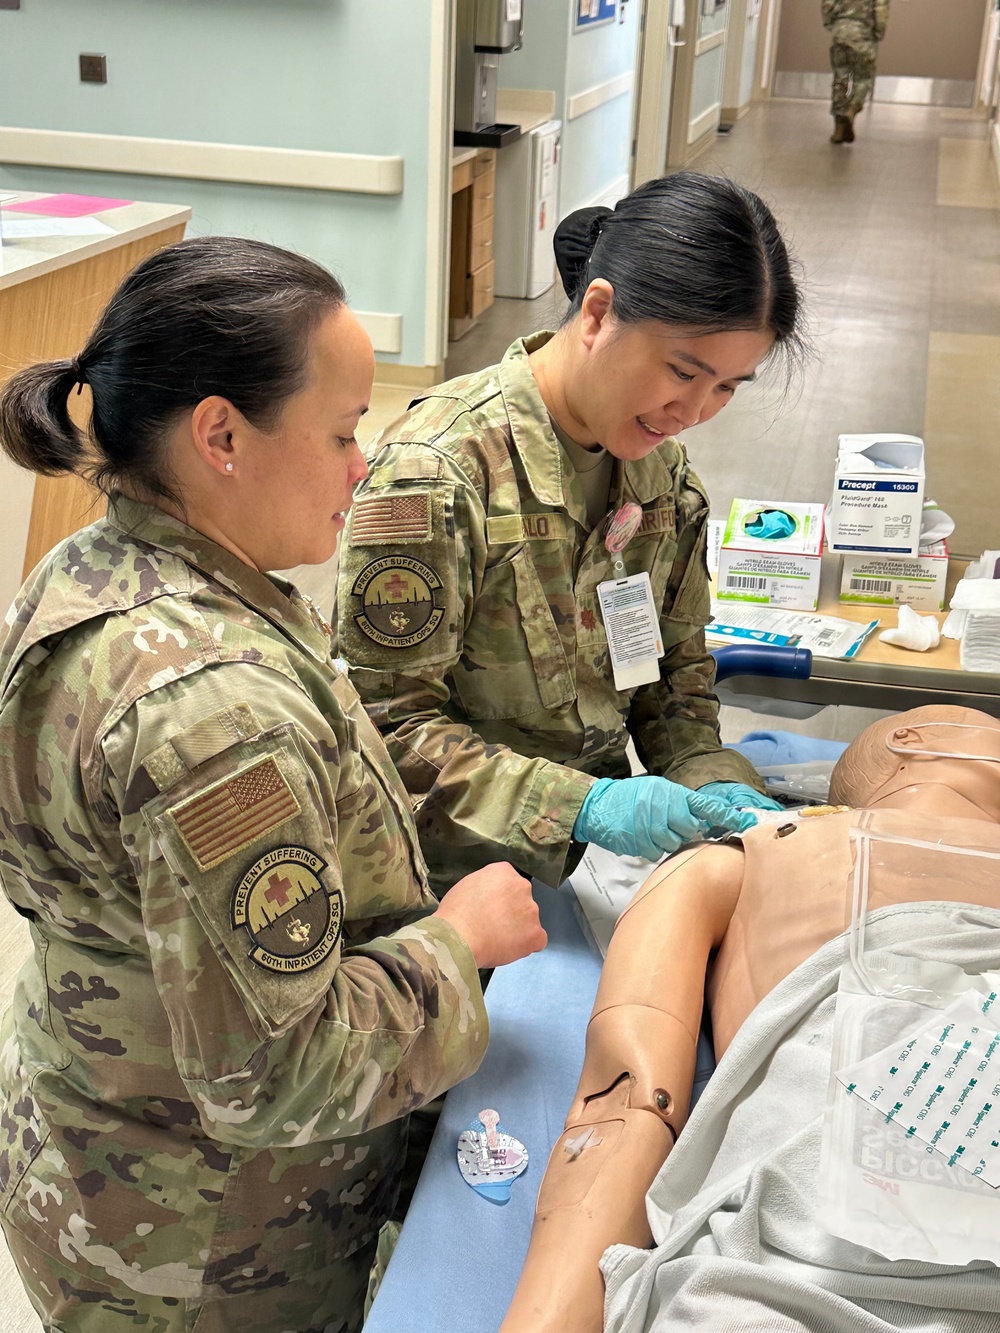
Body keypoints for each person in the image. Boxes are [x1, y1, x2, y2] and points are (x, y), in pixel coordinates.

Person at [0, 236, 547, 1333]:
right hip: (209, 1250)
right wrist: (457, 943)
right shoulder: (215, 716)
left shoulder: (106, 566)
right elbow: (276, 1070)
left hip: (108, 1154)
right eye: (342, 432)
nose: (362, 465)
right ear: (220, 436)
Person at [335, 172, 805, 897]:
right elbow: (383, 733)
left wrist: (711, 778)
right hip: (447, 883)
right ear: (597, 312)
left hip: (593, 872)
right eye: (683, 372)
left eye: (726, 388)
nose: (693, 412)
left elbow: (671, 683)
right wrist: (583, 807)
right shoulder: (437, 474)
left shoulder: (661, 481)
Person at [500, 704, 1000, 1333]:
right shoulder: (751, 853)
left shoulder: (752, 854)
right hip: (808, 1267)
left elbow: (627, 1107)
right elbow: (626, 1098)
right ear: (911, 739)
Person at [822, 0, 891, 144]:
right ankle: (851, 111)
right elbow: (880, 9)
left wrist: (831, 24)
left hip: (840, 33)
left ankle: (838, 130)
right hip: (863, 36)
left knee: (840, 79)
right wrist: (879, 33)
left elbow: (827, 3)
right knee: (863, 78)